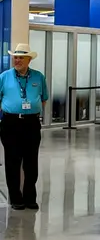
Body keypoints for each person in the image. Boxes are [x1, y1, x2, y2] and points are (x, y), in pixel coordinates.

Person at [0, 43, 48, 210]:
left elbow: (43, 99)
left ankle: (30, 197)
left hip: (31, 124)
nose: (17, 60)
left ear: (29, 59)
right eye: (15, 57)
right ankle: (15, 198)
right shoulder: (4, 77)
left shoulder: (38, 77)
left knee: (31, 162)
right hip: (10, 123)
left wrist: (34, 112)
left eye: (21, 57)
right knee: (12, 162)